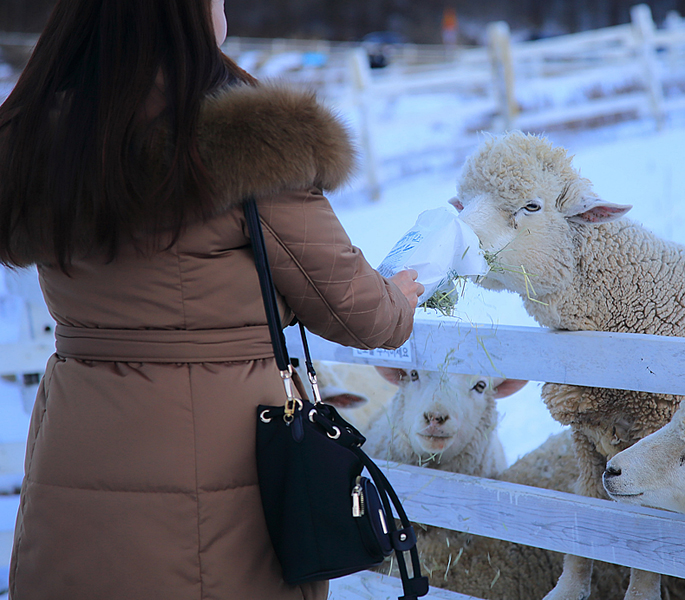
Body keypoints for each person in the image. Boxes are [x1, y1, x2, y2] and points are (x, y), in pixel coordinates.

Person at [0, 1, 423, 598]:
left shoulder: (38, 136)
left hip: (76, 435)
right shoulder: (242, 138)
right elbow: (359, 311)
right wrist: (400, 296)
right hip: (220, 464)